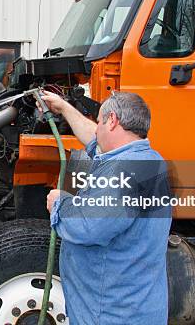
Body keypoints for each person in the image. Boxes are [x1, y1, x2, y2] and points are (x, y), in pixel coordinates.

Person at [39, 90, 172, 325]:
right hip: (136, 306)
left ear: (112, 121)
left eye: (100, 121)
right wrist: (63, 107)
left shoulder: (123, 171)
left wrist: (60, 204)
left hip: (110, 313)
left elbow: (88, 226)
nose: (96, 128)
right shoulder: (148, 159)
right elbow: (96, 138)